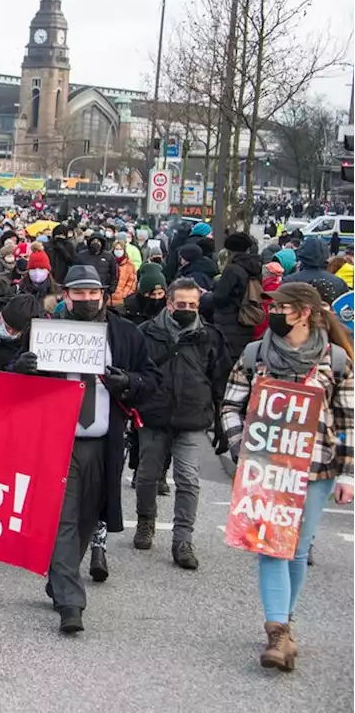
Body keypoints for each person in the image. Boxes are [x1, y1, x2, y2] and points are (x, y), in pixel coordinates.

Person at [221, 282, 355, 671]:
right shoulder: (254, 354)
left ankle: (286, 624)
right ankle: (277, 630)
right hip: (265, 469)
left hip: (317, 469)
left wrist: (348, 475)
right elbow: (230, 404)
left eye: (281, 307)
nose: (273, 313)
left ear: (305, 312)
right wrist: (240, 447)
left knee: (297, 549)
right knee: (269, 545)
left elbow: (349, 421)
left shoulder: (336, 360)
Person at [44, 265, 159, 635]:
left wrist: (128, 382)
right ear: (66, 295)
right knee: (63, 516)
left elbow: (152, 379)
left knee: (89, 516)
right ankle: (70, 601)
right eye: (78, 293)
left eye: (93, 292)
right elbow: (15, 376)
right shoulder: (48, 332)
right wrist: (25, 366)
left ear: (104, 294)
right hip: (60, 440)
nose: (87, 299)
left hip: (104, 441)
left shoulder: (125, 334)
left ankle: (60, 576)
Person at [133, 278, 229, 571]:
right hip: (154, 415)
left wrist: (221, 423)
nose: (187, 309)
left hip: (191, 417)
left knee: (188, 479)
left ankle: (182, 540)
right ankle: (146, 520)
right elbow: (134, 372)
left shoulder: (210, 336)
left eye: (193, 305)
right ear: (169, 303)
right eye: (182, 304)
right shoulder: (146, 333)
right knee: (147, 476)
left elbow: (219, 380)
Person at [211, 232, 264, 363]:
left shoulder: (232, 269)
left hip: (228, 323)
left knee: (225, 363)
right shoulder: (255, 268)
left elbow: (219, 298)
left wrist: (205, 296)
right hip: (247, 320)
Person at [282, 235, 349, 307]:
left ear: (301, 256)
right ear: (326, 256)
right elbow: (346, 312)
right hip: (329, 317)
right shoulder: (339, 283)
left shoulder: (288, 281)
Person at [108, 240, 137, 308]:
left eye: (120, 249)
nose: (118, 251)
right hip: (107, 300)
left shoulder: (130, 265)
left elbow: (132, 283)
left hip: (121, 301)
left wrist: (123, 294)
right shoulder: (108, 262)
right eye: (116, 249)